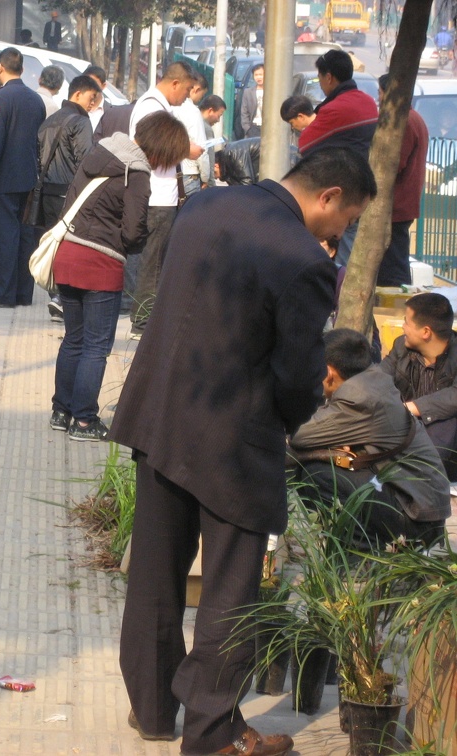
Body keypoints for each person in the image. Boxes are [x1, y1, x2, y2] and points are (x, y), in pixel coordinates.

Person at [109, 147, 376, 756]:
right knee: (231, 593)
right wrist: (292, 422)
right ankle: (212, 733)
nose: (341, 233)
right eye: (348, 219)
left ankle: (152, 709)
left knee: (154, 572)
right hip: (234, 439)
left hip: (159, 413)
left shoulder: (204, 205)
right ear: (329, 196)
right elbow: (298, 373)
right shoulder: (303, 259)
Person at [50, 113, 188, 441]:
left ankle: (61, 410)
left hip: (67, 254)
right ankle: (84, 421)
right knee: (96, 347)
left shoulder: (99, 153)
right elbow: (132, 228)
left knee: (74, 338)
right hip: (100, 262)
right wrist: (135, 244)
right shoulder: (135, 172)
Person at [289, 328, 449, 548]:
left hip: (415, 518)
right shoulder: (373, 380)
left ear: (328, 372)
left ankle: (357, 555)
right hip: (416, 506)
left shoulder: (359, 398)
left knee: (316, 475)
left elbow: (297, 436)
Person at [127, 61, 203, 334]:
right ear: (174, 83)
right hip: (155, 195)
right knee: (153, 261)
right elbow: (149, 150)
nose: (186, 96)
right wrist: (186, 150)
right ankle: (143, 319)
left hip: (163, 195)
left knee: (157, 260)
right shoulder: (151, 106)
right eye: (186, 89)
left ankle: (147, 316)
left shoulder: (160, 106)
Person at [0, 48, 45, 309]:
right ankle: (23, 294)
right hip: (28, 178)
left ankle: (3, 295)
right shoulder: (36, 99)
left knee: (5, 238)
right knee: (25, 237)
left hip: (4, 179)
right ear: (22, 69)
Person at [298, 50, 378, 264]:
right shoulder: (368, 102)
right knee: (349, 243)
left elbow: (304, 144)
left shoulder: (336, 108)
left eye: (320, 78)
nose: (321, 84)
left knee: (331, 248)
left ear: (329, 77)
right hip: (360, 183)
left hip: (335, 191)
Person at [381, 292, 457, 479]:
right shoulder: (402, 347)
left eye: (406, 322)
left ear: (425, 332)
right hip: (406, 435)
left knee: (448, 421)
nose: (403, 327)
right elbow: (378, 379)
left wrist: (410, 408)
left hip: (447, 451)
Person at [376, 73, 429, 287]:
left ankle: (397, 305)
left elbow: (394, 164)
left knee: (394, 265)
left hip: (396, 202)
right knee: (394, 259)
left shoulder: (404, 121)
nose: (378, 98)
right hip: (402, 201)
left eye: (380, 93)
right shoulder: (414, 117)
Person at [33, 75, 100, 230]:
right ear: (77, 94)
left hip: (47, 192)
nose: (92, 104)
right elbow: (85, 160)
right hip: (69, 193)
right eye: (91, 98)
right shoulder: (81, 122)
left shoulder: (50, 119)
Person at [174, 72, 211, 196]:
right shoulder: (193, 111)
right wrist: (205, 178)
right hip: (189, 175)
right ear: (196, 89)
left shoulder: (171, 106)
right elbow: (201, 148)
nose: (200, 99)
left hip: (171, 172)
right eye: (202, 95)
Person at [197, 94, 227, 188]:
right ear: (210, 111)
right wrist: (210, 182)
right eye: (219, 115)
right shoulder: (206, 128)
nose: (218, 120)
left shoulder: (193, 120)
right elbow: (208, 156)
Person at [239, 64, 264, 139]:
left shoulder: (272, 92)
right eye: (256, 75)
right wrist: (248, 129)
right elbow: (244, 112)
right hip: (253, 128)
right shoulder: (248, 92)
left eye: (261, 74)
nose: (258, 77)